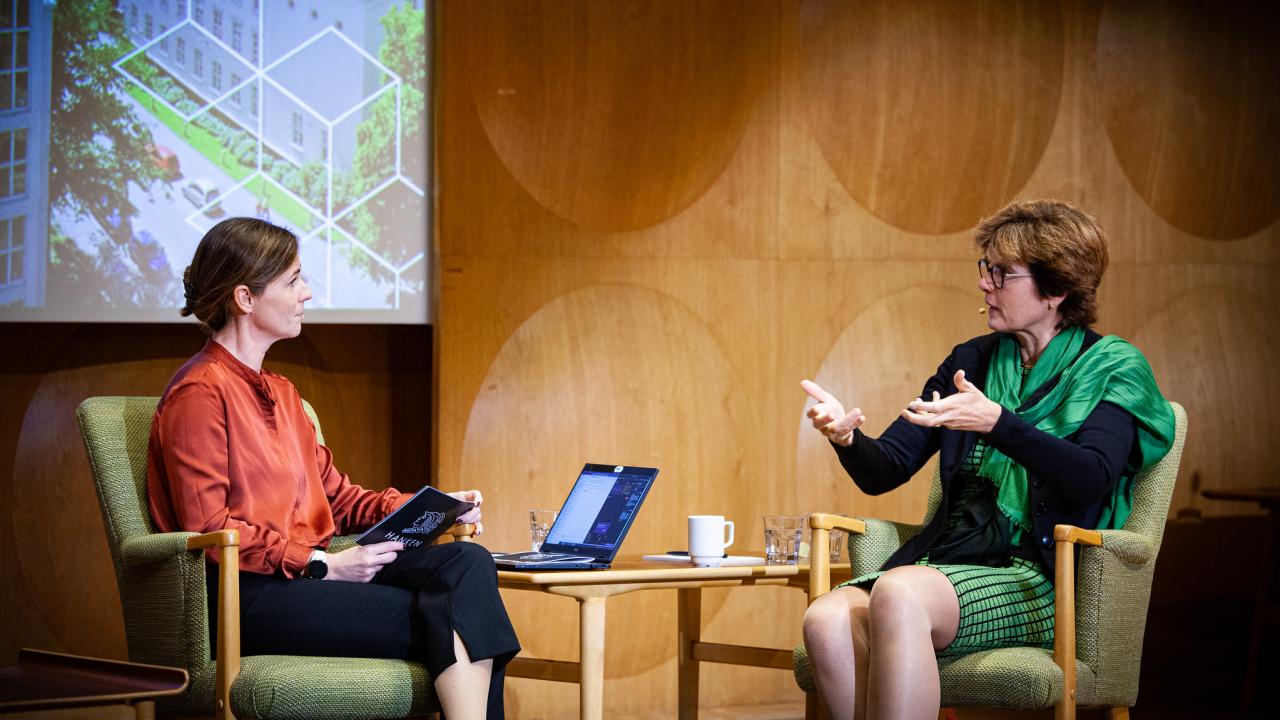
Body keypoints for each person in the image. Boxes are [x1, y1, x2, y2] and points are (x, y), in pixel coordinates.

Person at [799, 200, 1175, 720]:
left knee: (899, 592)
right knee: (824, 621)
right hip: (949, 561)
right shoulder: (971, 360)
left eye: (1002, 273)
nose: (984, 284)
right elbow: (887, 468)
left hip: (1038, 576)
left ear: (1056, 290)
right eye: (986, 268)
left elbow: (1090, 477)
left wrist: (998, 422)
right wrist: (846, 438)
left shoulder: (1114, 367)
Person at [147, 217, 519, 719]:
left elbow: (340, 501)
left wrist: (433, 507)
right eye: (293, 280)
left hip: (307, 581)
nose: (307, 292)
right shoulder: (199, 392)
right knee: (462, 616)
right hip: (245, 596)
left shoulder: (284, 394)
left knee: (467, 564)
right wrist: (321, 564)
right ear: (245, 298)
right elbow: (210, 528)